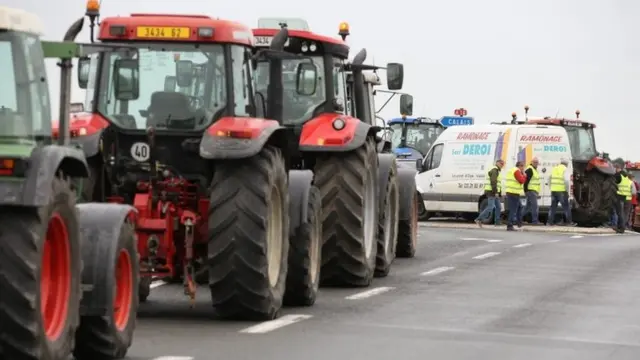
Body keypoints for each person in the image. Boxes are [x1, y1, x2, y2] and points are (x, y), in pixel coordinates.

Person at [475, 159, 505, 227]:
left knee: (498, 207)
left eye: (503, 164)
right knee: (490, 207)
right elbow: (493, 182)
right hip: (491, 192)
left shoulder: (497, 171)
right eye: (501, 163)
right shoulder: (494, 170)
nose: (502, 165)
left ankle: (497, 222)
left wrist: (499, 193)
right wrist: (495, 192)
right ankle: (479, 219)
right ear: (497, 163)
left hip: (494, 192)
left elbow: (498, 183)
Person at [548, 158, 575, 226]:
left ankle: (549, 222)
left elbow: (549, 178)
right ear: (566, 164)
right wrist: (567, 191)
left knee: (553, 207)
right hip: (562, 191)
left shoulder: (555, 168)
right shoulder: (565, 169)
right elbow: (566, 181)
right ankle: (569, 222)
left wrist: (551, 187)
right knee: (566, 207)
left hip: (553, 191)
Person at [505, 161, 527, 231]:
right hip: (513, 193)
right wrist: (524, 175)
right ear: (520, 166)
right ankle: (510, 225)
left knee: (520, 207)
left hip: (512, 192)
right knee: (513, 209)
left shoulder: (512, 170)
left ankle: (519, 223)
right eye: (523, 166)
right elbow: (521, 180)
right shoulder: (516, 171)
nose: (523, 168)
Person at [613, 163, 632, 233]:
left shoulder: (618, 175)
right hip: (626, 197)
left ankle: (622, 228)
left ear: (617, 168)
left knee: (620, 213)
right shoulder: (626, 176)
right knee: (622, 213)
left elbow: (612, 182)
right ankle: (619, 227)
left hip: (620, 196)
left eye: (615, 169)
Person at [521, 157, 541, 225]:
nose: (536, 163)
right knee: (535, 206)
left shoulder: (534, 170)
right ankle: (535, 221)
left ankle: (516, 218)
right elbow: (525, 181)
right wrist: (526, 191)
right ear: (531, 162)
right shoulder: (530, 169)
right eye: (534, 162)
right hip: (530, 191)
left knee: (527, 207)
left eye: (537, 162)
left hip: (533, 191)